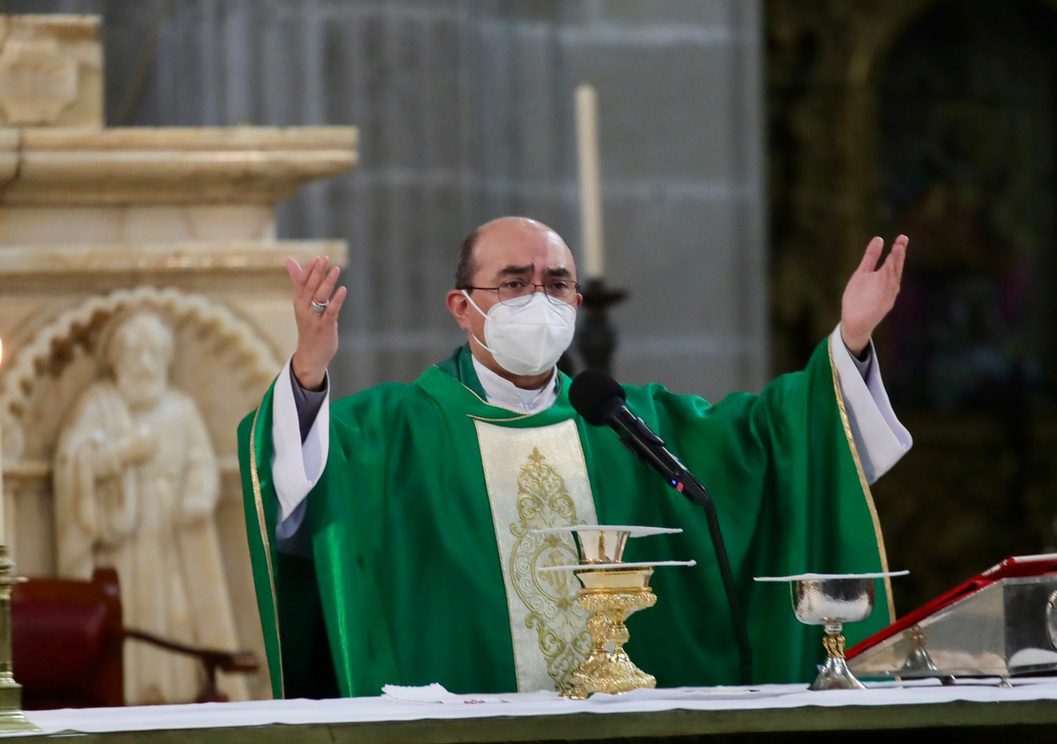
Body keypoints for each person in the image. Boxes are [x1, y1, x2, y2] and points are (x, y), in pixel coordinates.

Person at [238, 217, 911, 698]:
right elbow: (298, 483)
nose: (540, 297)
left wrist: (848, 340)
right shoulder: (391, 432)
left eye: (556, 283)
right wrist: (306, 374)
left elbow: (768, 442)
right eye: (514, 282)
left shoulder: (627, 422)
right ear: (462, 307)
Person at [55, 311, 245, 704]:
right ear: (117, 360)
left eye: (153, 354)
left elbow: (202, 463)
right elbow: (74, 461)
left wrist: (197, 494)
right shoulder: (98, 405)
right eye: (135, 354)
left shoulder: (181, 409)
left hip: (172, 539)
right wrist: (123, 454)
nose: (144, 364)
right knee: (127, 616)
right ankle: (120, 696)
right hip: (119, 541)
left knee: (176, 617)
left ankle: (175, 696)